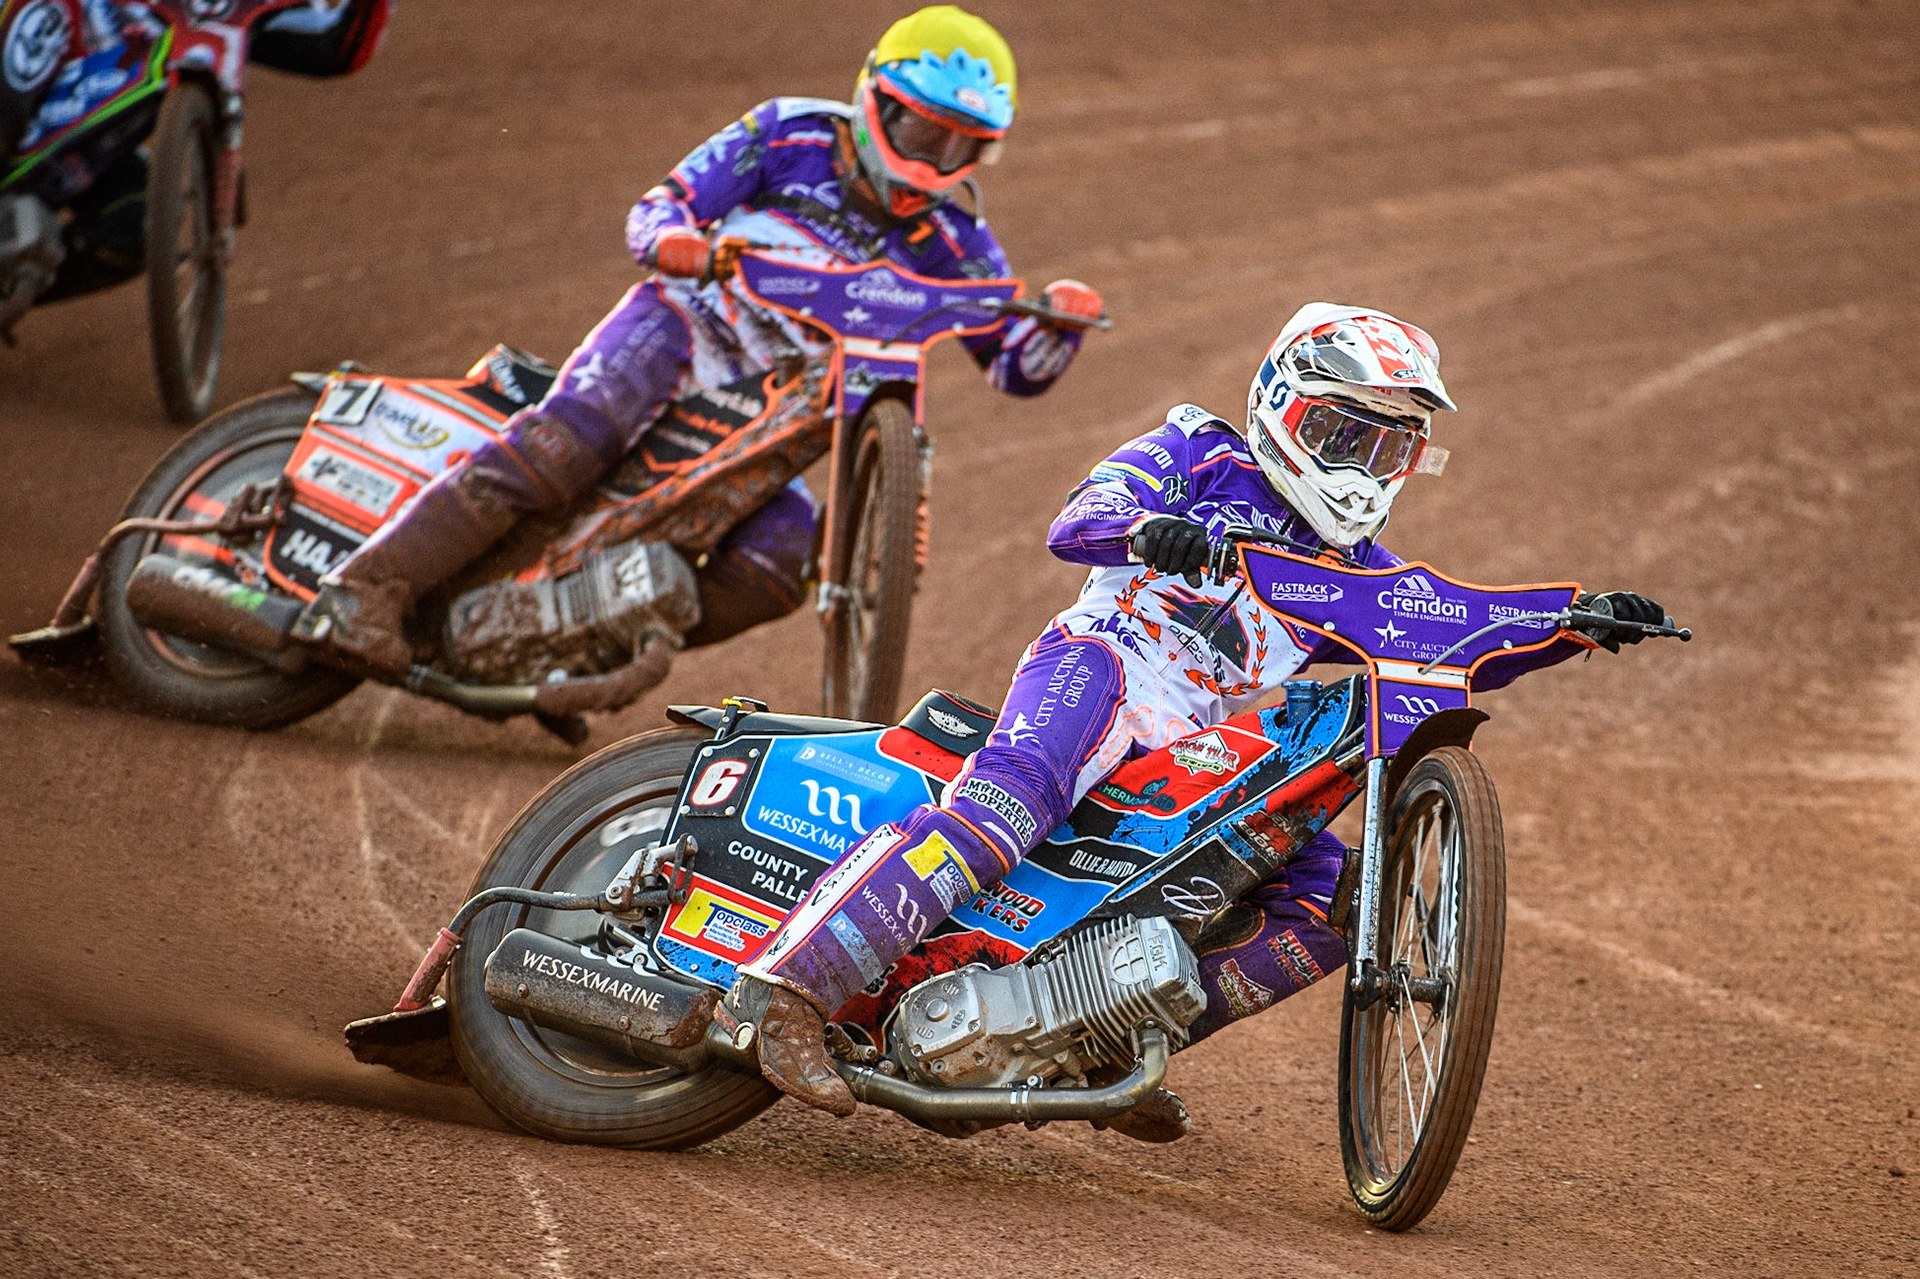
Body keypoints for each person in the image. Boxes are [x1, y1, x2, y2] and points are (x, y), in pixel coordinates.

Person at [723, 302, 1666, 1130]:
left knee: (1338, 899)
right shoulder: (1201, 450)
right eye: (1347, 437)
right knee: (1004, 807)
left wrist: (1573, 623)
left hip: (1186, 752)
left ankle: (1092, 1046)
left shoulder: (1360, 569)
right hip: (1100, 669)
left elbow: (1452, 628)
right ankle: (787, 991)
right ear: (1284, 411)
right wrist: (1151, 528)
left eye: (1390, 447)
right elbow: (1078, 515)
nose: (1365, 468)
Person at [300, 5, 1104, 675]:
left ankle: (579, 649)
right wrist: (676, 241)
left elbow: (1011, 362)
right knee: (563, 446)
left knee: (781, 559)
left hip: (775, 421)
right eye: (924, 132)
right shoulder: (788, 134)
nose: (935, 160)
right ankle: (365, 588)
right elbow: (660, 207)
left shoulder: (954, 235)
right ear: (876, 100)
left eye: (959, 145)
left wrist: (1057, 327)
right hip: (680, 332)